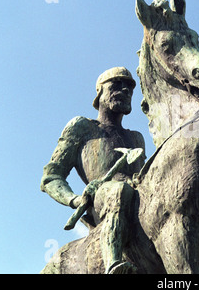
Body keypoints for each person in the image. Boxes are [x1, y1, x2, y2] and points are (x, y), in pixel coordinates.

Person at [41, 67, 146, 274]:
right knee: (118, 190)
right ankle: (114, 265)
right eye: (117, 84)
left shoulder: (136, 138)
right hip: (103, 200)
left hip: (137, 198)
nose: (125, 90)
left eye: (130, 87)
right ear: (99, 92)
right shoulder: (82, 127)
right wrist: (75, 199)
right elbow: (51, 177)